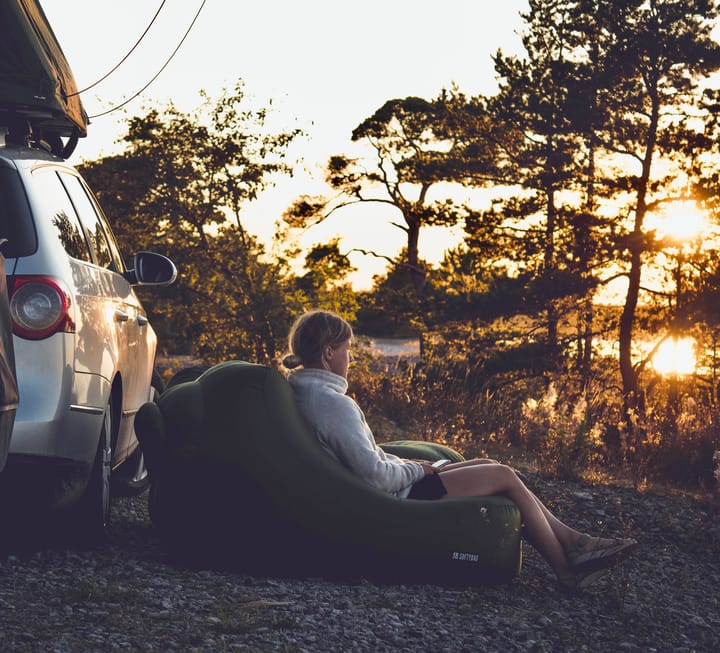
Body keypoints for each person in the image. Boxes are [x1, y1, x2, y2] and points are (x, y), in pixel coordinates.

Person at [282, 310, 637, 591]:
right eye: (346, 350)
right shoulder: (332, 403)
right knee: (503, 476)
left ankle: (575, 543)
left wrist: (409, 463)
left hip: (390, 485)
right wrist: (417, 471)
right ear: (329, 353)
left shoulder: (307, 393)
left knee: (485, 463)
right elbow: (374, 475)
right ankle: (567, 567)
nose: (350, 359)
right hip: (397, 497)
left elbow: (364, 458)